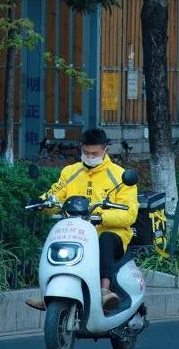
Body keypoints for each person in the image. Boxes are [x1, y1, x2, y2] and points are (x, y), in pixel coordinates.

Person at [26, 127, 138, 312]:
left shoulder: (119, 175)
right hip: (76, 230)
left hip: (109, 231)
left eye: (94, 153)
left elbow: (129, 214)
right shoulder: (70, 172)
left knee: (106, 240)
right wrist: (43, 202)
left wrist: (101, 217)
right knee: (54, 240)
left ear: (105, 150)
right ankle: (48, 291)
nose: (89, 156)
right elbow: (56, 194)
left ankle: (104, 291)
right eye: (86, 152)